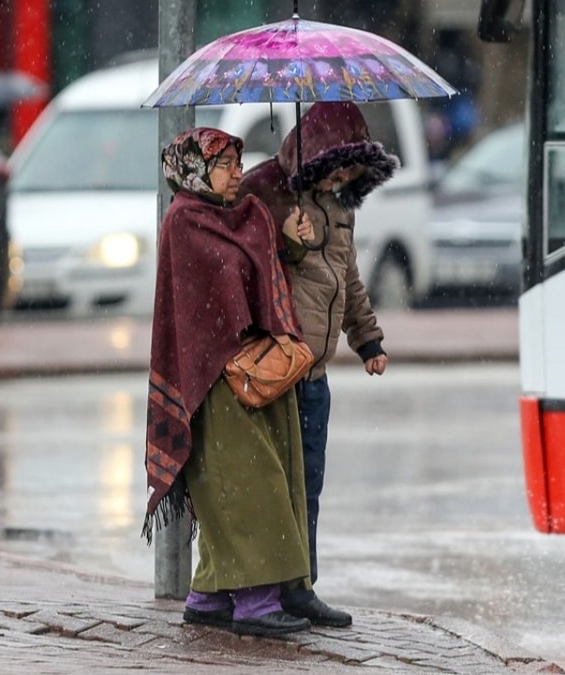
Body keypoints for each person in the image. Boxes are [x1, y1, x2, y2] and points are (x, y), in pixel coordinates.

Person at [143, 127, 318, 638]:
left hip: (259, 371)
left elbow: (260, 276)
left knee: (259, 481)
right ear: (195, 171)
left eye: (238, 162)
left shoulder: (247, 216)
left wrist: (287, 242)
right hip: (216, 380)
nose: (237, 172)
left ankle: (209, 594)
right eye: (224, 164)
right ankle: (256, 603)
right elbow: (201, 311)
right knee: (244, 489)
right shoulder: (184, 222)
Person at [238, 102, 396, 628]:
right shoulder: (273, 199)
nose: (343, 177)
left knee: (309, 486)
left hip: (317, 376)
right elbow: (257, 276)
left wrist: (368, 340)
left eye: (353, 169)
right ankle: (267, 591)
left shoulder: (342, 209)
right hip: (280, 367)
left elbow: (347, 282)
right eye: (335, 165)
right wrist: (291, 246)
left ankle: (301, 586)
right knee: (275, 488)